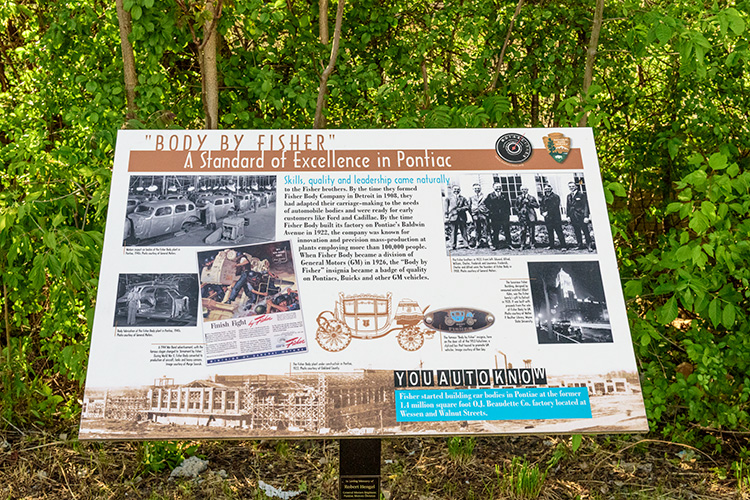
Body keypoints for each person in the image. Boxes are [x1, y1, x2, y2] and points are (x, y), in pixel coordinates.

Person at [566, 181, 594, 251]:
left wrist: (586, 216)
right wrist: (568, 216)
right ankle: (579, 245)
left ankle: (589, 246)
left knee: (585, 231)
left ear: (576, 186)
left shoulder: (581, 195)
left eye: (572, 186)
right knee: (577, 231)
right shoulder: (568, 196)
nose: (571, 188)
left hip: (581, 216)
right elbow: (568, 207)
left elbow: (585, 206)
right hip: (573, 216)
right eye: (570, 187)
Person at [484, 182, 513, 249]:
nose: (498, 188)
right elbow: (486, 204)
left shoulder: (504, 195)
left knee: (506, 230)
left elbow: (508, 205)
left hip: (504, 216)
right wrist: (490, 212)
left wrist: (507, 214)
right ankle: (495, 245)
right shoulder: (490, 195)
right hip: (495, 216)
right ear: (493, 187)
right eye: (496, 186)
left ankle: (509, 244)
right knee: (495, 230)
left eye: (499, 186)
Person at [443, 185, 470, 250]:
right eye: (455, 189)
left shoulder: (463, 198)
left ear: (460, 190)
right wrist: (446, 215)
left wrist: (461, 209)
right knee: (453, 232)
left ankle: (466, 245)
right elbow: (445, 207)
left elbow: (467, 206)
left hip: (462, 217)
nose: (456, 191)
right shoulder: (448, 198)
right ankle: (453, 246)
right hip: (453, 217)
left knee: (464, 231)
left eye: (458, 189)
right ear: (452, 190)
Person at [468, 183, 490, 248]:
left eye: (478, 188)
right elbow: (469, 207)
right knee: (477, 229)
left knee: (486, 228)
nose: (477, 189)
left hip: (483, 214)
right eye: (475, 188)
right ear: (473, 189)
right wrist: (472, 214)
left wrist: (487, 212)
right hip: (475, 214)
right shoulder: (471, 197)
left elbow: (488, 205)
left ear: (480, 188)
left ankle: (489, 242)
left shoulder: (484, 196)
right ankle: (477, 243)